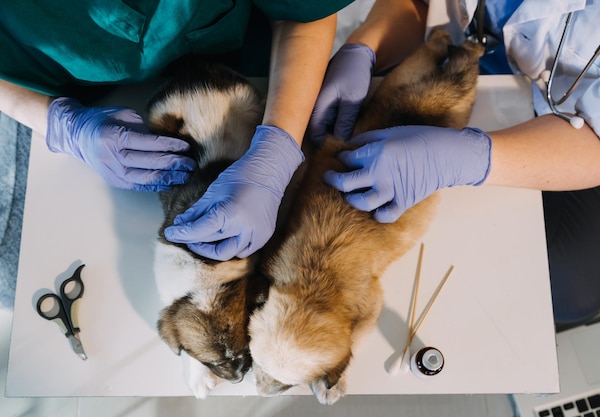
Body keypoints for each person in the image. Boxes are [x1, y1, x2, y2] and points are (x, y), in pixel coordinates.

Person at [0, 0, 355, 308]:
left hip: (243, 68)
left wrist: (278, 147)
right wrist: (59, 124)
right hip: (53, 83)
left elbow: (303, 14)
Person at [309, 0, 600, 328]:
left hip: (563, 133)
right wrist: (365, 47)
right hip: (451, 61)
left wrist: (467, 159)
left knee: (576, 285)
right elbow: (418, 4)